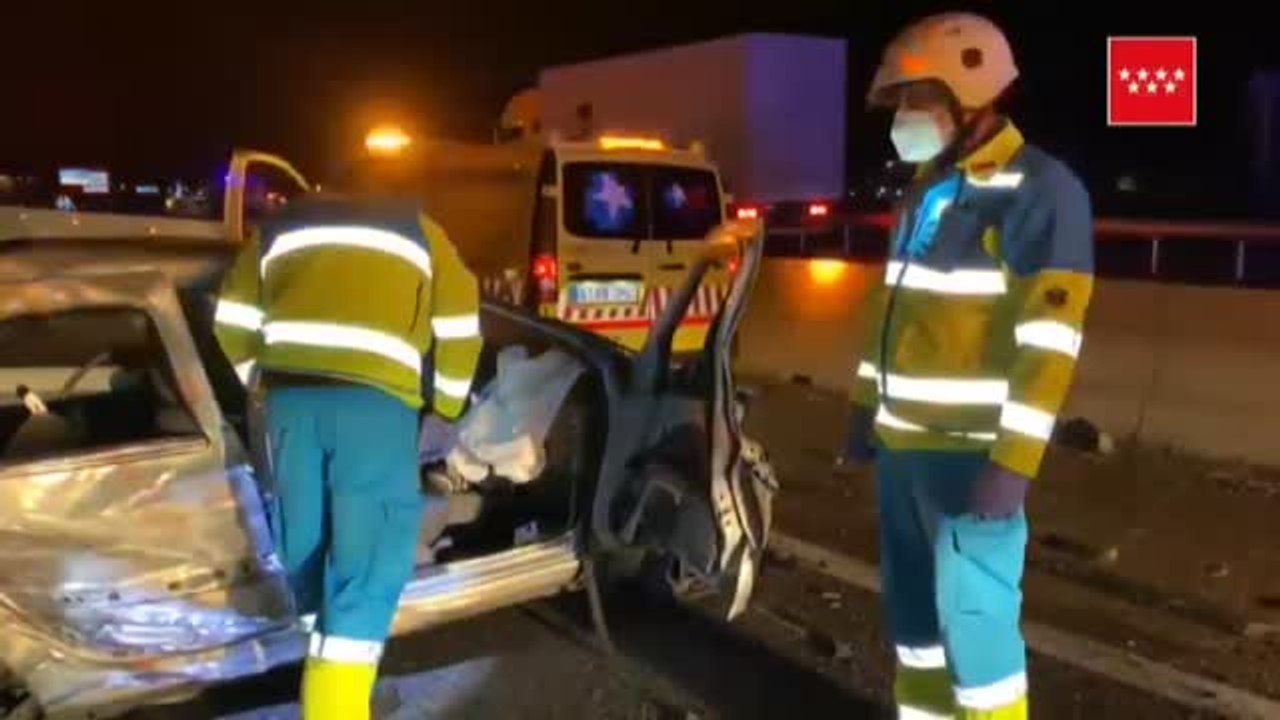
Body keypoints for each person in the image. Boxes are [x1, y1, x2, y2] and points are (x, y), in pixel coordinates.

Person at [844, 12, 1094, 720]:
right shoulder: (928, 186)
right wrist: (866, 413)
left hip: (970, 461)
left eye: (914, 98)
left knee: (977, 641)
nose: (902, 116)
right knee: (917, 635)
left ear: (970, 93)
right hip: (903, 453)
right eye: (898, 102)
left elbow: (1050, 343)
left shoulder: (1041, 191)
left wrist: (1012, 464)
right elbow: (899, 311)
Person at [213, 193, 483, 720]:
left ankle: (330, 688)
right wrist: (446, 407)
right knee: (366, 569)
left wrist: (265, 384)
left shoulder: (281, 226)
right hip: (374, 410)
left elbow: (230, 319)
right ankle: (337, 704)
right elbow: (458, 326)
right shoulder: (421, 229)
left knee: (307, 555)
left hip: (291, 407)